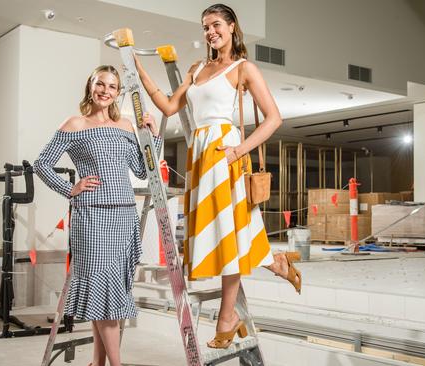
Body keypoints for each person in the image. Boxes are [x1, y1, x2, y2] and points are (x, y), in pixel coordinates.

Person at [134, 3, 301, 349]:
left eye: (215, 25)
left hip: (226, 153)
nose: (210, 32)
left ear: (231, 27)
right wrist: (138, 68)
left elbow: (274, 119)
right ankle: (276, 263)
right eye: (205, 27)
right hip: (201, 154)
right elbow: (168, 106)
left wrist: (239, 151)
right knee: (230, 232)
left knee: (229, 234)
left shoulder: (244, 68)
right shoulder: (197, 69)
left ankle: (228, 316)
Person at [34, 65, 160, 366]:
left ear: (117, 93)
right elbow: (42, 164)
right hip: (91, 218)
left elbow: (143, 171)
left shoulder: (127, 125)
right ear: (90, 86)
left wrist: (152, 137)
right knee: (103, 289)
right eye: (100, 84)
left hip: (124, 217)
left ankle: (98, 363)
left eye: (112, 86)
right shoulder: (75, 124)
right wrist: (70, 188)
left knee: (106, 294)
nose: (105, 90)